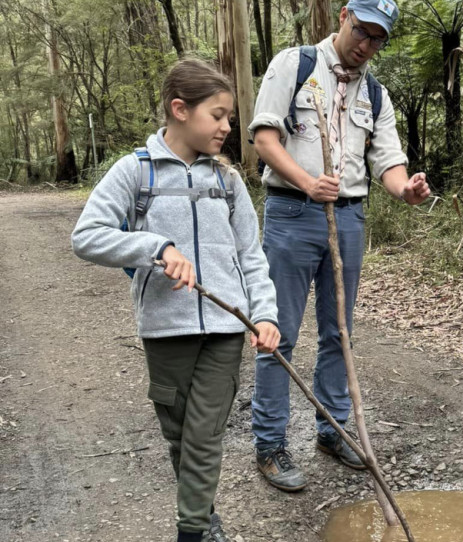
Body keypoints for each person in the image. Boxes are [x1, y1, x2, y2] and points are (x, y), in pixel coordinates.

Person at [72, 59, 281, 542]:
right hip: (166, 331)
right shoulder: (134, 173)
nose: (229, 128)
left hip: (226, 332)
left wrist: (263, 315)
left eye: (230, 117)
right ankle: (203, 514)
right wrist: (155, 247)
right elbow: (86, 237)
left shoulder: (227, 183)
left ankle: (191, 530)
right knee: (180, 435)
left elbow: (251, 256)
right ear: (180, 109)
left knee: (205, 435)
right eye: (219, 115)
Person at [248, 0, 431, 491]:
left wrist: (405, 190)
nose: (367, 45)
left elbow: (387, 161)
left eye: (378, 39)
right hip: (291, 212)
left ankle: (332, 430)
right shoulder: (295, 64)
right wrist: (308, 182)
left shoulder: (375, 91)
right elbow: (265, 138)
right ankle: (270, 444)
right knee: (278, 332)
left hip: (349, 217)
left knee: (339, 332)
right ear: (345, 16)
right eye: (363, 31)